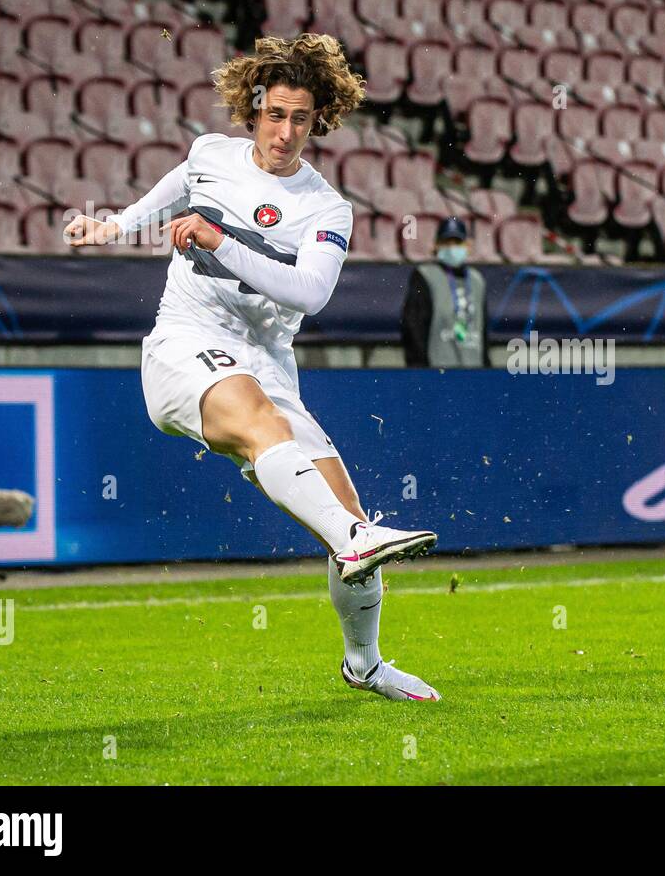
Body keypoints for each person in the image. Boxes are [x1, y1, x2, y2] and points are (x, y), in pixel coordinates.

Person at [63, 34, 442, 702]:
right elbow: (181, 182)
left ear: (319, 120)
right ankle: (356, 538)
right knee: (295, 465)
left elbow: (309, 293)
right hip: (186, 343)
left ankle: (364, 664)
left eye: (301, 118)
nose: (285, 130)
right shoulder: (212, 153)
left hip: (268, 362)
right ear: (254, 109)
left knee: (341, 515)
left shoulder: (326, 209)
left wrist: (219, 240)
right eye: (275, 114)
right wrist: (118, 226)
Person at [400, 217, 489, 368]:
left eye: (457, 242)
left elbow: (483, 332)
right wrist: (419, 371)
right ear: (436, 245)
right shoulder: (425, 276)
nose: (452, 248)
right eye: (446, 243)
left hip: (474, 373)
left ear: (467, 246)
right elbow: (414, 327)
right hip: (437, 372)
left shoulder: (477, 281)